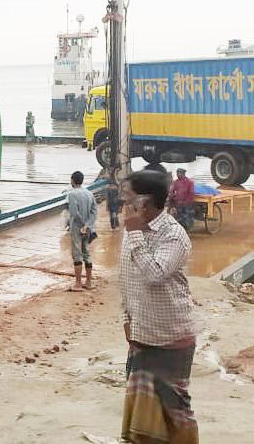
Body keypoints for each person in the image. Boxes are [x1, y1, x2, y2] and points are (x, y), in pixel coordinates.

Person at [119, 169, 199, 443]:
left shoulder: (173, 235)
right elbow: (127, 276)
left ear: (145, 201)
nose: (123, 204)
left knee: (175, 412)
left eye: (128, 198)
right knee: (142, 413)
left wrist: (136, 234)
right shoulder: (131, 232)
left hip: (170, 337)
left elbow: (154, 274)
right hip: (142, 334)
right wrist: (126, 318)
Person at [66, 170, 97, 291]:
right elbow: (94, 212)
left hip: (77, 228)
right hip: (88, 228)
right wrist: (88, 225)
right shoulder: (89, 194)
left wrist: (82, 225)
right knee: (87, 253)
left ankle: (78, 284)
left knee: (77, 253)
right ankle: (88, 282)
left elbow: (74, 213)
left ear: (72, 181)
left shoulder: (72, 194)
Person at [168, 168, 196, 232]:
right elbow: (172, 191)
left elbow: (191, 193)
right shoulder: (175, 182)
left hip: (187, 203)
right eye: (177, 173)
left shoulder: (189, 182)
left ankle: (188, 229)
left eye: (179, 173)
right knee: (179, 217)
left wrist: (187, 201)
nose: (178, 175)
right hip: (178, 203)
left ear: (183, 174)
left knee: (186, 217)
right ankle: (181, 230)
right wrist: (171, 198)